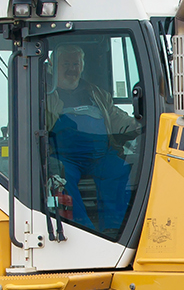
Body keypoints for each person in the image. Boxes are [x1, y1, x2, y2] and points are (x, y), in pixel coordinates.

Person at [46, 44, 142, 232]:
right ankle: (83, 229)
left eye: (76, 63)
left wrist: (139, 126)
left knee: (119, 168)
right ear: (53, 65)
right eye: (66, 63)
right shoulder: (46, 95)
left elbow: (116, 118)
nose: (72, 68)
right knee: (62, 177)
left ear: (82, 66)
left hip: (100, 156)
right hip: (65, 157)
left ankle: (116, 228)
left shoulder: (96, 94)